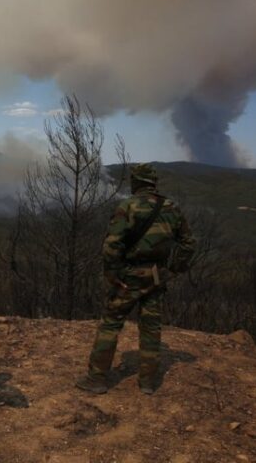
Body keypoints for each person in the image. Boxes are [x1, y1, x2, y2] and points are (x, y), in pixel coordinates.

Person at [75, 163, 195, 395]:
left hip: (129, 277)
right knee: (151, 327)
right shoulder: (171, 208)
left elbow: (112, 244)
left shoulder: (128, 206)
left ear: (136, 182)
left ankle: (97, 378)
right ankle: (148, 382)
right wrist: (173, 268)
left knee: (111, 323)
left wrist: (112, 273)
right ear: (153, 183)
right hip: (156, 276)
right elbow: (189, 243)